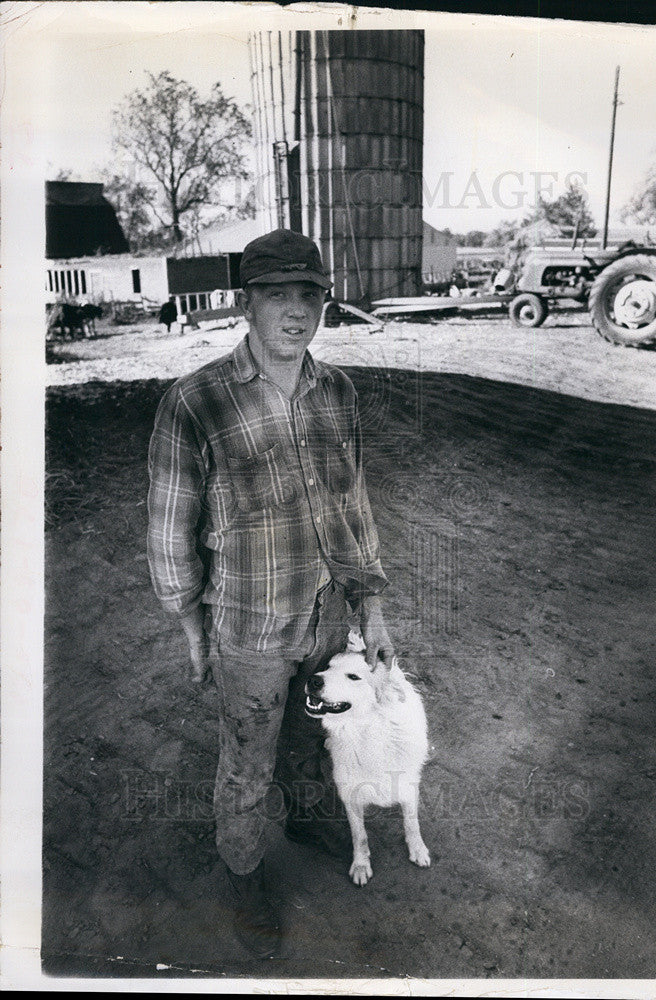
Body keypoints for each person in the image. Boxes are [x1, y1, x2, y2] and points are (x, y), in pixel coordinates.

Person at [147, 229, 394, 958]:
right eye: (276, 296)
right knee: (246, 762)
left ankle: (312, 816)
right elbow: (170, 529)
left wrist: (369, 606)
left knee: (312, 732)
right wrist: (193, 628)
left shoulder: (337, 392)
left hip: (321, 620)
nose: (295, 313)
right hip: (249, 628)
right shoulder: (195, 402)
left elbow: (350, 506)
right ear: (243, 303)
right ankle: (245, 874)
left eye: (309, 296)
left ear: (324, 303)